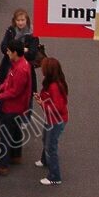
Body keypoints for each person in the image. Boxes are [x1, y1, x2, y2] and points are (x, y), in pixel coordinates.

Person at [0, 40, 30, 175]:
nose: (7, 53)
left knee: (5, 135)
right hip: (17, 106)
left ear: (15, 52)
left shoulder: (21, 69)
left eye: (9, 51)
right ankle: (16, 155)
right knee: (16, 130)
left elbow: (15, 91)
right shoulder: (18, 64)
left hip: (12, 107)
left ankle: (2, 165)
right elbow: (9, 81)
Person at [36, 57, 69, 186]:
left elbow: (57, 107)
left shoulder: (54, 87)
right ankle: (45, 160)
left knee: (51, 146)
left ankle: (55, 176)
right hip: (51, 119)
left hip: (56, 121)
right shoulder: (52, 83)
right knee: (46, 139)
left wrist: (42, 104)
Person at [0, 8, 40, 84]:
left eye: (22, 20)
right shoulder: (10, 30)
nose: (20, 23)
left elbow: (32, 54)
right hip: (8, 66)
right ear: (14, 21)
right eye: (18, 20)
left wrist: (12, 51)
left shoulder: (33, 34)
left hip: (25, 68)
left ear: (27, 20)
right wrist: (23, 50)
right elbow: (3, 47)